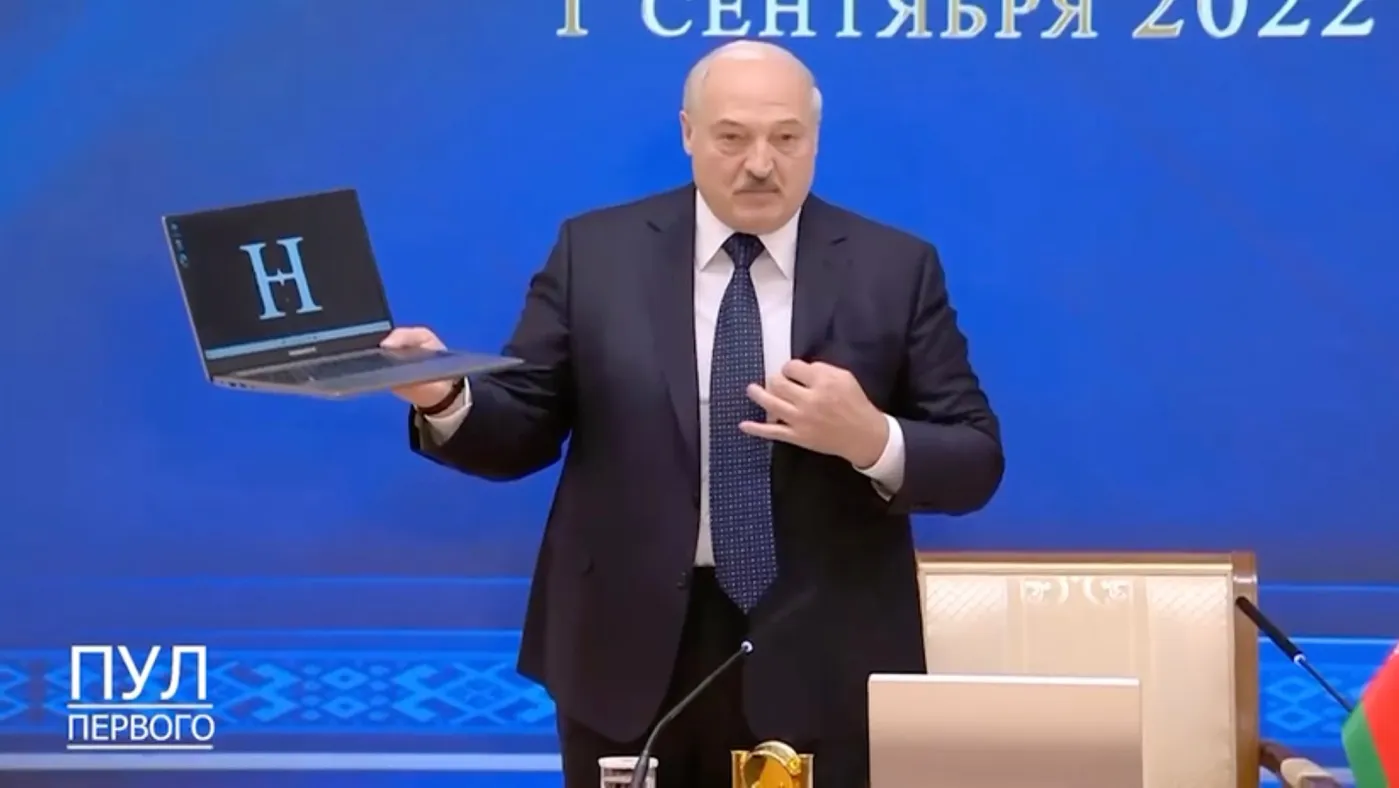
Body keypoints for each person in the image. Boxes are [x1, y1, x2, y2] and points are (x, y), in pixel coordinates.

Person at [382, 39, 1003, 788]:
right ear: (687, 133)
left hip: (821, 647)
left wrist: (871, 438)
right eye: (732, 137)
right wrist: (445, 395)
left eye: (785, 138)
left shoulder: (894, 267)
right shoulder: (596, 252)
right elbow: (523, 428)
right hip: (625, 644)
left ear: (814, 139)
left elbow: (975, 459)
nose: (760, 163)